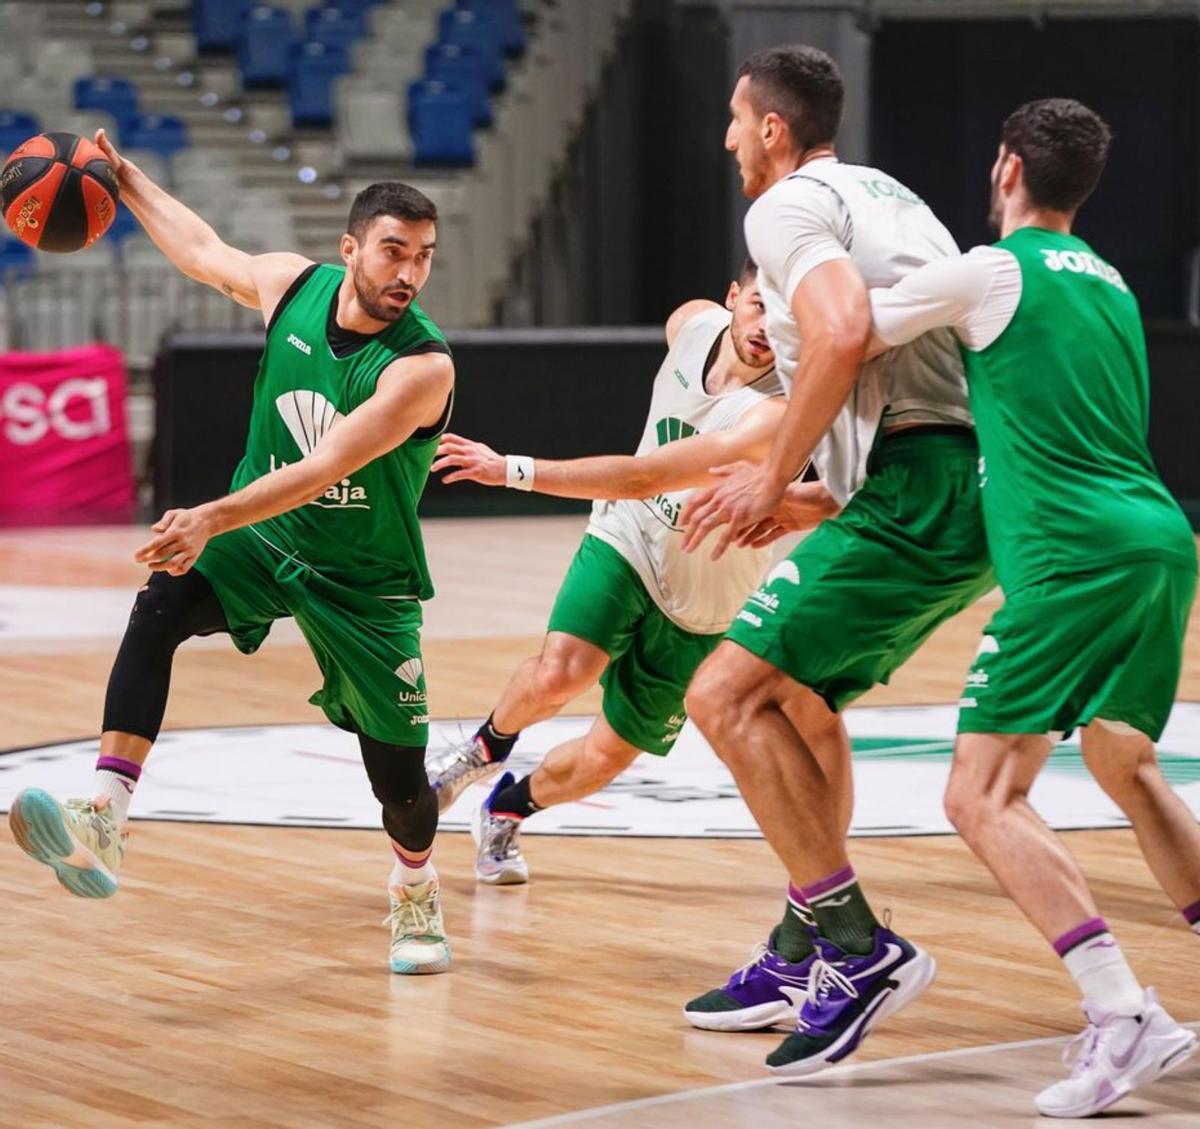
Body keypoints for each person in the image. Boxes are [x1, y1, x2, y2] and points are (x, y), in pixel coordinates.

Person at [7, 129, 458, 976]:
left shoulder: (422, 367)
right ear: (351, 247)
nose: (408, 273)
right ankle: (105, 813)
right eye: (394, 251)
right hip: (267, 536)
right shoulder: (293, 287)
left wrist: (211, 512)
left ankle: (415, 886)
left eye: (425, 257)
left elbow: (323, 466)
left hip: (365, 579)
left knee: (397, 779)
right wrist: (126, 180)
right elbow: (206, 252)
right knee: (161, 603)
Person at [868, 98, 1199, 1118]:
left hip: (1070, 556)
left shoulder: (989, 269)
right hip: (1160, 538)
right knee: (1123, 761)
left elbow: (851, 330)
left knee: (978, 794)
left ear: (1007, 165)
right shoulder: (1111, 281)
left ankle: (1121, 1010)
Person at [675, 46, 994, 1072]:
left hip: (923, 484)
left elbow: (847, 330)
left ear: (772, 127)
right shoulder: (891, 197)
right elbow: (917, 364)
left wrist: (770, 475)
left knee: (721, 697)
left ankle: (857, 947)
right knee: (798, 706)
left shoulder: (783, 209)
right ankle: (798, 944)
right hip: (958, 482)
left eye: (735, 119)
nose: (727, 138)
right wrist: (818, 494)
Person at [426, 264, 833, 883]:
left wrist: (508, 468)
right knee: (565, 669)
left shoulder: (777, 413)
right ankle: (482, 746)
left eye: (789, 322)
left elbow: (645, 473)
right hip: (629, 537)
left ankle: (508, 807)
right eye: (758, 307)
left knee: (606, 755)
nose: (768, 330)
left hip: (706, 599)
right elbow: (639, 491)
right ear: (731, 298)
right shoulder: (691, 324)